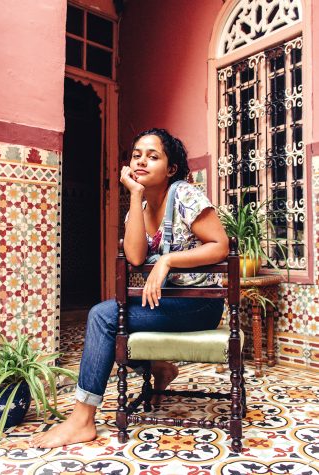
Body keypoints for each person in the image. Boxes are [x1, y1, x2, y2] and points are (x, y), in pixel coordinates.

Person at [29, 128, 229, 449]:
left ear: (171, 168)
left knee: (103, 317)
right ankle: (160, 368)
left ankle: (82, 420)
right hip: (168, 305)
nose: (141, 161)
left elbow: (220, 246)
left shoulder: (185, 195)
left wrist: (167, 262)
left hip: (200, 304)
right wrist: (135, 196)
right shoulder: (142, 205)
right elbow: (135, 256)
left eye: (153, 156)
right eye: (136, 155)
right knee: (110, 320)